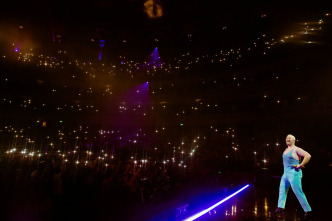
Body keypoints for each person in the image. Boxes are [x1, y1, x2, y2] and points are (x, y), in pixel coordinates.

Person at [275, 134, 313, 220]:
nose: (287, 139)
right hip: (285, 173)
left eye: (289, 138)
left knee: (298, 191)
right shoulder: (285, 149)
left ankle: (308, 210)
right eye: (286, 138)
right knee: (282, 190)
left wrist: (300, 165)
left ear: (293, 140)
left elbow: (308, 155)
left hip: (294, 173)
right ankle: (280, 207)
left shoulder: (296, 149)